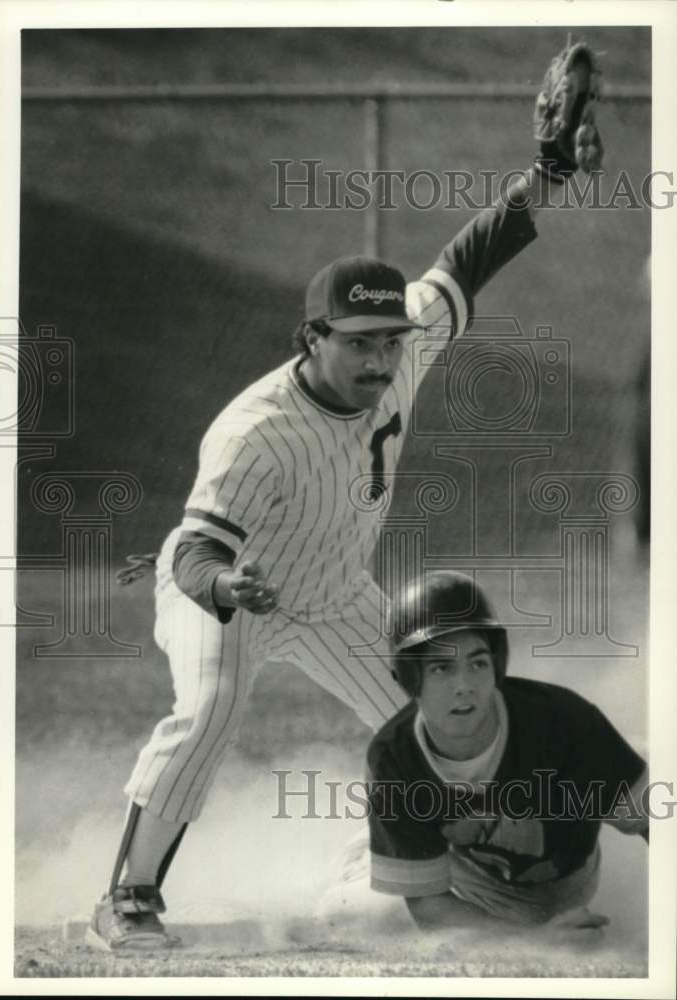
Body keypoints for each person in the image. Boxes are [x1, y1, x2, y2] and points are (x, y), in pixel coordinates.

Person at [87, 42, 605, 950]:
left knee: (455, 713)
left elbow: (470, 256)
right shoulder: (256, 431)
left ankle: (480, 882)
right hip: (228, 599)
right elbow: (192, 549)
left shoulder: (405, 353)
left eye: (390, 340)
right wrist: (222, 590)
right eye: (359, 340)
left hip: (332, 595)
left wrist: (549, 171)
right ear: (312, 337)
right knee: (207, 713)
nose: (379, 357)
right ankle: (125, 897)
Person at [362, 571, 648, 934]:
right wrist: (536, 943)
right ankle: (370, 852)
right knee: (345, 916)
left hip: (569, 884)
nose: (464, 686)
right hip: (469, 890)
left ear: (497, 664)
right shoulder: (394, 758)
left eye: (478, 663)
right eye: (441, 668)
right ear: (408, 678)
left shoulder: (563, 724)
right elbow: (430, 908)